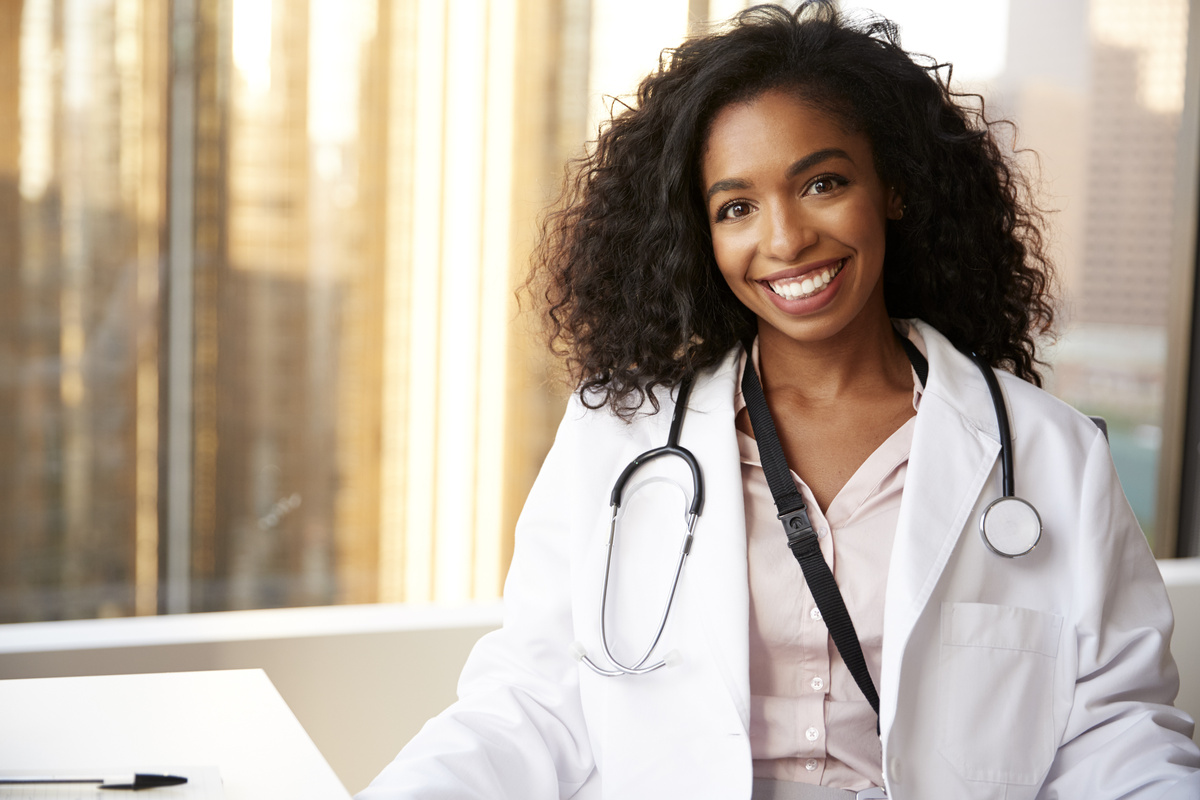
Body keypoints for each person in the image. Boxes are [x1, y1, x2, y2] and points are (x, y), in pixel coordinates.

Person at [358, 3, 1200, 798]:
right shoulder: (619, 437)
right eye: (736, 207)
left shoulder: (1050, 454)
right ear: (703, 234)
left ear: (892, 189)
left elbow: (1112, 729)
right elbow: (533, 700)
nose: (786, 239)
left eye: (822, 183)